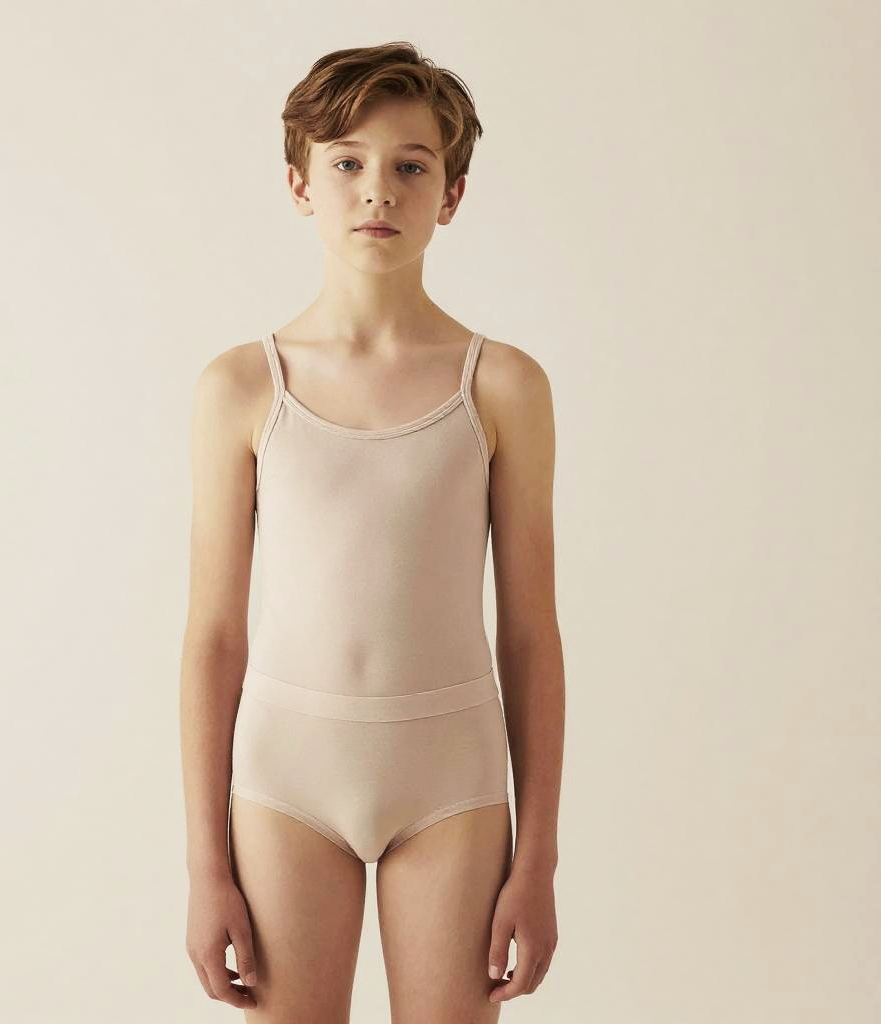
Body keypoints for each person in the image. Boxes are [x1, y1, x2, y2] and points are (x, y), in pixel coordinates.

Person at [180, 41, 564, 1021]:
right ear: (299, 184)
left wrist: (538, 860)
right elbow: (214, 636)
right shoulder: (243, 387)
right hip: (284, 783)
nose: (377, 189)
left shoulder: (502, 386)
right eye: (346, 161)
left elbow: (530, 633)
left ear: (453, 194)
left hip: (452, 786)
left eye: (411, 165)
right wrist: (205, 868)